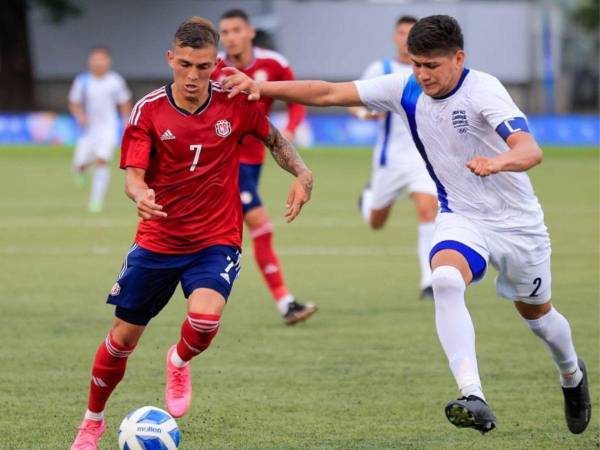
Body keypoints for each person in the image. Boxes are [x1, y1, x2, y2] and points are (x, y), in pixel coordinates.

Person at [221, 14, 591, 435]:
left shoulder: (484, 89)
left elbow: (529, 150)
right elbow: (327, 91)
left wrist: (496, 162)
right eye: (416, 63)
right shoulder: (405, 87)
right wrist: (261, 87)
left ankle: (572, 376)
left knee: (539, 318)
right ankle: (473, 394)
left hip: (518, 225)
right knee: (446, 281)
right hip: (461, 217)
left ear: (458, 58)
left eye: (431, 65)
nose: (421, 74)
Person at [70, 17, 313, 449]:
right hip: (158, 243)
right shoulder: (149, 110)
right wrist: (140, 195)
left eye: (203, 67)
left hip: (215, 240)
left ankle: (178, 359)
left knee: (203, 321)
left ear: (215, 63)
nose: (193, 76)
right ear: (171, 59)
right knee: (122, 339)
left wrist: (302, 171)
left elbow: (274, 139)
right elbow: (133, 177)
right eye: (185, 64)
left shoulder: (234, 102)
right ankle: (92, 422)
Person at [212, 9, 317, 325]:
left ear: (250, 33)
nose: (230, 37)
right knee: (261, 225)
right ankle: (286, 303)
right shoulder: (213, 68)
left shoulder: (272, 63)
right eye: (225, 32)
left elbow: (296, 98)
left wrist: (293, 127)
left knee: (226, 233)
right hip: (224, 162)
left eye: (235, 30)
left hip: (255, 160)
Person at [348, 15, 437, 299]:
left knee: (427, 211)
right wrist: (365, 113)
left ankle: (429, 281)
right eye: (401, 32)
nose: (405, 37)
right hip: (390, 161)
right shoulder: (382, 68)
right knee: (376, 222)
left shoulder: (429, 70)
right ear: (395, 37)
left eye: (411, 32)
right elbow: (353, 99)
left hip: (423, 160)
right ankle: (368, 202)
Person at [69, 47, 132, 213]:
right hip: (88, 131)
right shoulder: (82, 81)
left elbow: (124, 101)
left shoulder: (115, 81)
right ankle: (80, 169)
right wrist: (80, 115)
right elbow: (74, 102)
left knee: (102, 161)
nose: (98, 63)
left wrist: (126, 121)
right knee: (80, 163)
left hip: (108, 128)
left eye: (101, 59)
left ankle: (96, 201)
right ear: (90, 61)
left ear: (108, 61)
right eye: (95, 59)